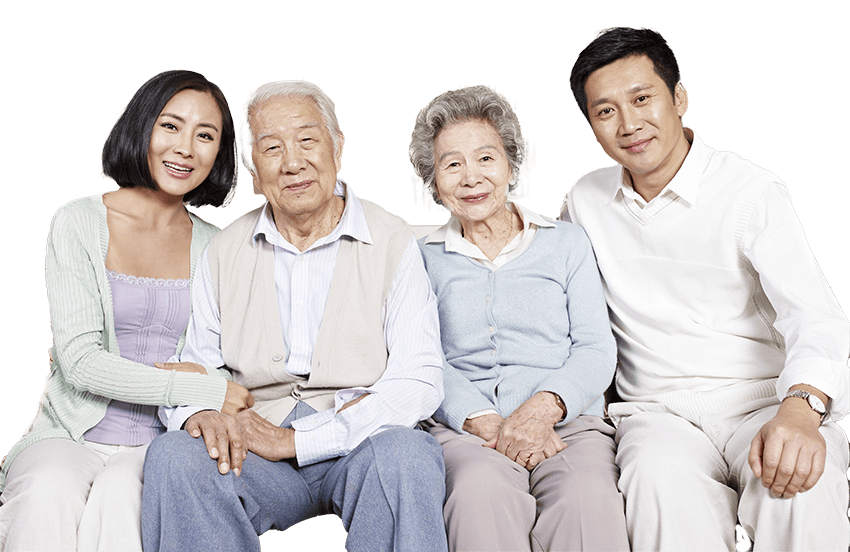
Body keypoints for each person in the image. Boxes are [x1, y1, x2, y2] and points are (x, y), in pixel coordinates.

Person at [562, 26, 850, 551]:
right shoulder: (585, 200)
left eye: (642, 99)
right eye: (605, 111)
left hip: (763, 402)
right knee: (655, 483)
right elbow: (569, 311)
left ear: (679, 97)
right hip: (657, 415)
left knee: (801, 488)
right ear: (592, 126)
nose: (629, 124)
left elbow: (815, 316)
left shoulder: (750, 190)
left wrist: (800, 411)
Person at [140, 80, 448, 552]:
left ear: (337, 147)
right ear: (253, 169)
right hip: (254, 448)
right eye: (272, 148)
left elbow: (419, 379)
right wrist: (199, 411)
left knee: (407, 455)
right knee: (175, 455)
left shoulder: (393, 239)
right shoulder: (224, 248)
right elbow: (199, 364)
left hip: (362, 440)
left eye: (307, 140)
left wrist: (300, 441)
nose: (292, 163)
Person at [0, 69, 249, 552]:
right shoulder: (78, 220)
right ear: (141, 127)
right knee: (47, 491)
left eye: (205, 135)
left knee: (123, 498)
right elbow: (80, 361)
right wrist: (202, 386)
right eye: (170, 126)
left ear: (218, 153)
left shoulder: (216, 245)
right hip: (69, 435)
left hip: (162, 439)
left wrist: (209, 384)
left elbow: (222, 358)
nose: (185, 148)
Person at [409, 85, 629, 552]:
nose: (471, 177)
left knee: (588, 499)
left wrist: (541, 412)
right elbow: (421, 357)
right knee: (478, 495)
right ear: (433, 180)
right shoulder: (419, 259)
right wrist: (486, 420)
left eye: (486, 158)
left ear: (511, 164)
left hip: (568, 424)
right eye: (452, 164)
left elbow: (595, 348)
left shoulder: (567, 243)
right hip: (466, 431)